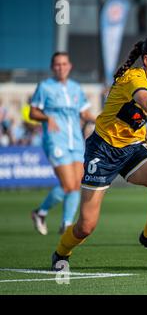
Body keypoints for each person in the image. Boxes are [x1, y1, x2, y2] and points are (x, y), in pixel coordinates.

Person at [51, 36, 147, 269]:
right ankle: (61, 253)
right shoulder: (134, 78)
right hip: (103, 150)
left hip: (133, 149)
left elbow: (131, 118)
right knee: (86, 226)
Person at [30, 52, 96, 235]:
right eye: (57, 64)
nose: (61, 67)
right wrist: (46, 117)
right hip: (55, 140)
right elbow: (32, 113)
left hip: (75, 141)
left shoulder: (75, 88)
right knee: (68, 185)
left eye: (64, 64)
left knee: (76, 184)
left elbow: (84, 114)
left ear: (70, 66)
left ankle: (66, 224)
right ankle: (40, 212)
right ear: (53, 67)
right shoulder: (45, 87)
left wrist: (102, 121)